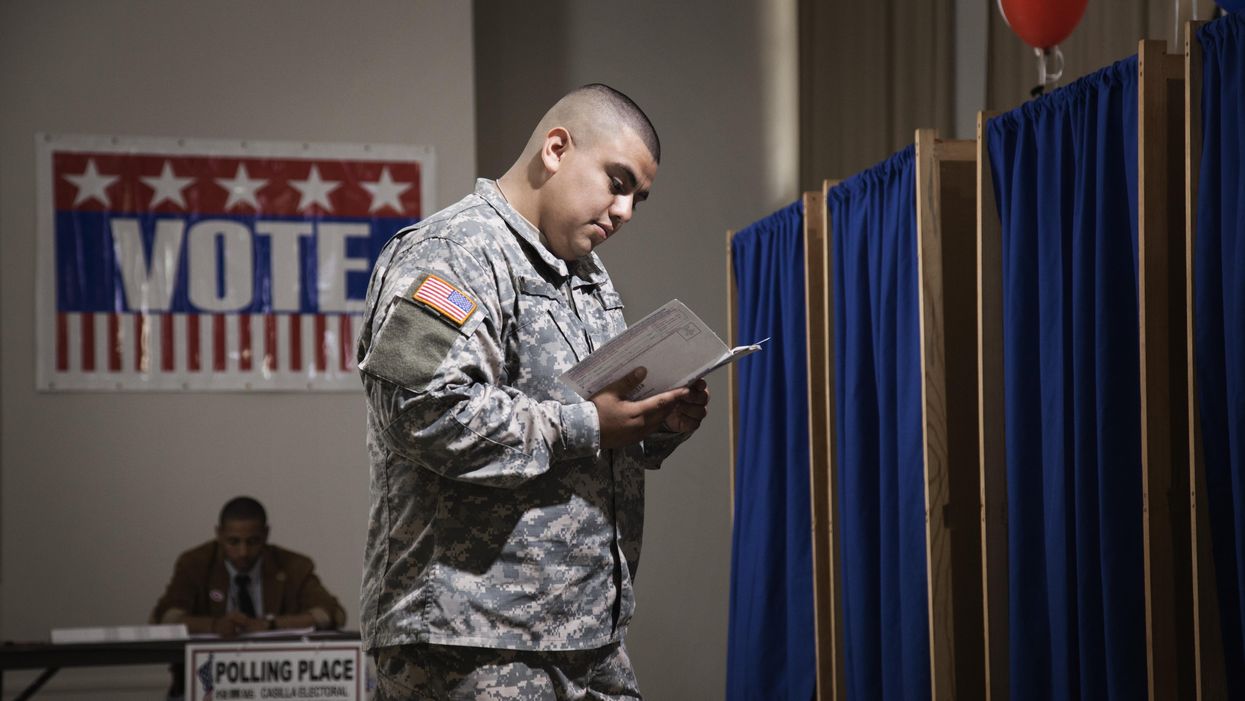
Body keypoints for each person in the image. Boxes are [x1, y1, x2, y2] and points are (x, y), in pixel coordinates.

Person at [357, 83, 709, 700]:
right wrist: (589, 424)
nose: (625, 211)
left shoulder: (587, 277)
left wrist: (651, 421)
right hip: (469, 640)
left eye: (638, 198)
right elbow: (419, 411)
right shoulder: (451, 252)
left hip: (587, 636)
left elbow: (591, 423)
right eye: (618, 182)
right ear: (556, 149)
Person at [151, 496, 347, 695]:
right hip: (205, 683)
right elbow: (165, 618)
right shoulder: (195, 564)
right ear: (219, 534)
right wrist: (215, 626)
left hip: (276, 683)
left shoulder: (293, 565)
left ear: (266, 534)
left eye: (253, 542)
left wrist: (270, 625)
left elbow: (333, 614)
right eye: (233, 542)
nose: (243, 552)